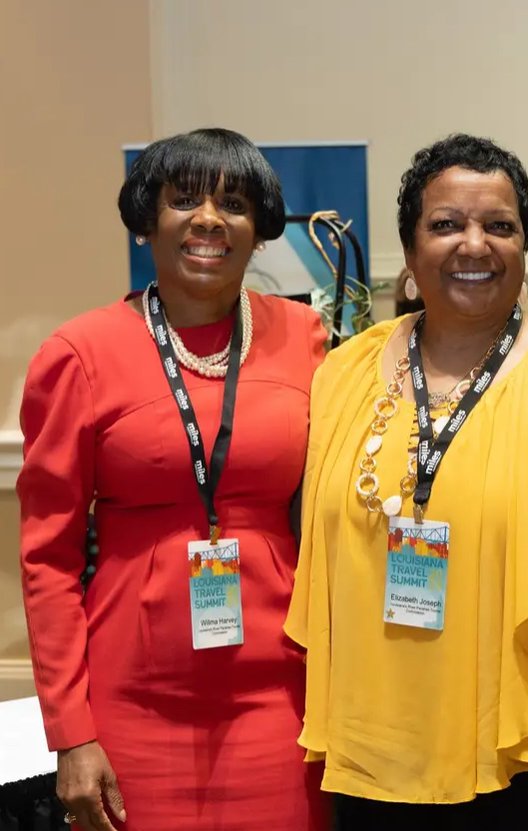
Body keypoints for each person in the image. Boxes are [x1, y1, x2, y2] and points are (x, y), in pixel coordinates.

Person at [286, 133, 528, 831]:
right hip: (367, 763)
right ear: (411, 247)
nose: (474, 244)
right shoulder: (342, 373)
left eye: (499, 226)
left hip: (523, 764)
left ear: (523, 246)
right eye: (446, 224)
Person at [17, 128, 330, 831]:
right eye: (184, 199)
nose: (210, 219)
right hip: (130, 702)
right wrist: (71, 731)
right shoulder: (79, 353)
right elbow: (48, 558)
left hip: (283, 698)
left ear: (260, 229)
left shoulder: (309, 340)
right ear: (145, 221)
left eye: (235, 203)